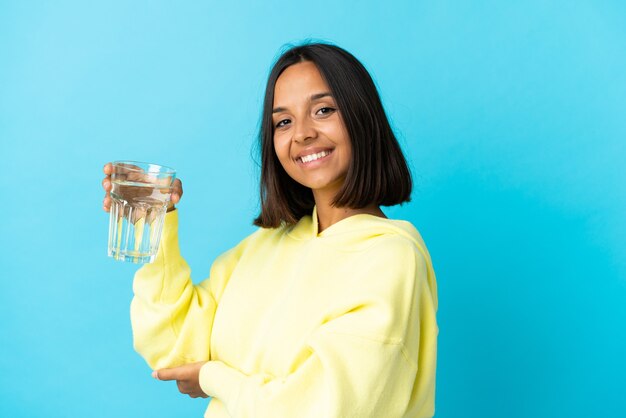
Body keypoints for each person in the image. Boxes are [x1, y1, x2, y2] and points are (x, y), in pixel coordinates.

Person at [102, 42, 438, 418]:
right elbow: (176, 351)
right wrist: (155, 224)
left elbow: (325, 408)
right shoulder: (263, 247)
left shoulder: (390, 259)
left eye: (323, 110)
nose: (302, 134)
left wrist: (214, 378)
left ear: (362, 117)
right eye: (283, 122)